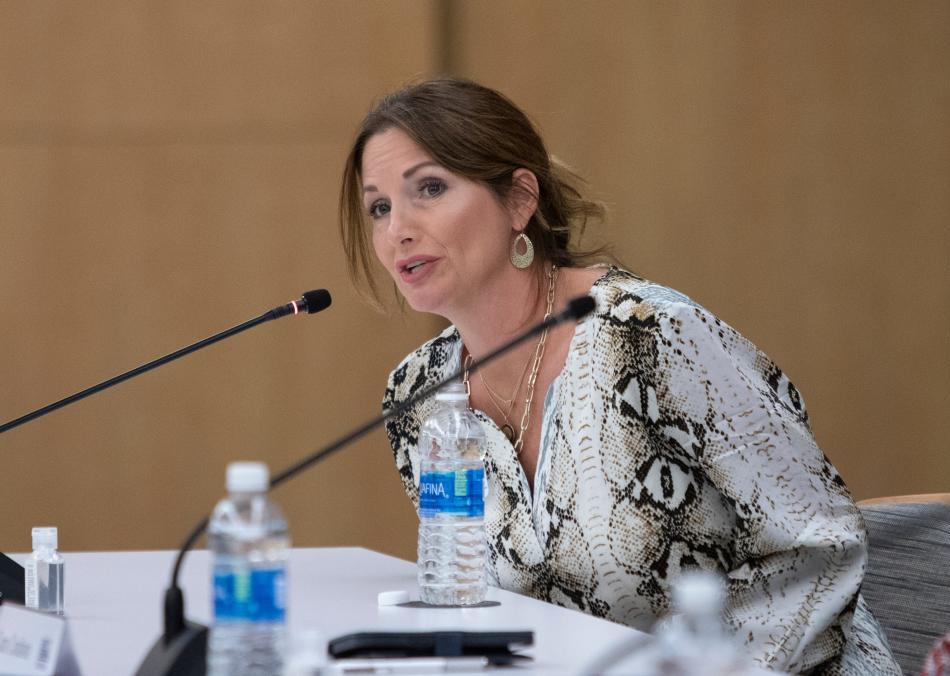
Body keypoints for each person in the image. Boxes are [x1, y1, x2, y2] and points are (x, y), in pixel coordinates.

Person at [338, 78, 900, 675]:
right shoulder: (418, 396)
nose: (397, 228)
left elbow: (820, 546)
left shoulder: (652, 335)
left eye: (429, 188)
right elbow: (483, 595)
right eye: (379, 206)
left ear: (519, 200)